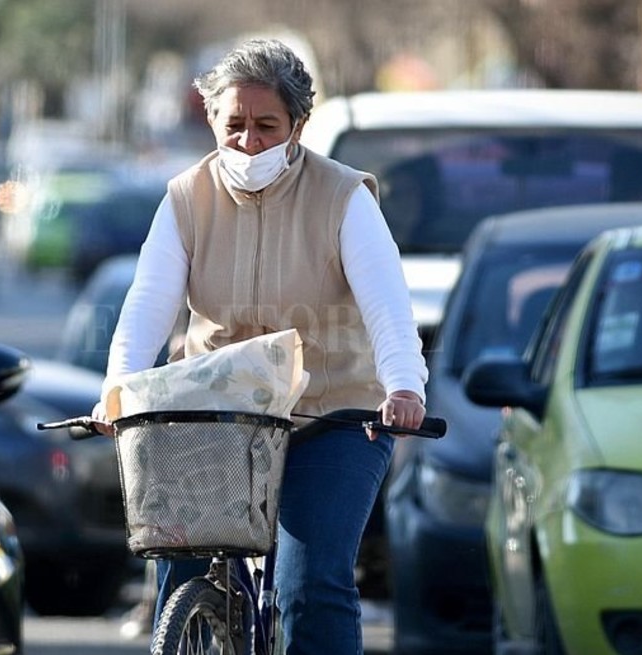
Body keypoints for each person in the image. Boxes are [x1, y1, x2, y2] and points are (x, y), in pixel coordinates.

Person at [90, 38, 428, 654]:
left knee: (308, 585)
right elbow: (147, 305)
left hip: (333, 417)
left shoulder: (343, 196)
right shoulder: (186, 197)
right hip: (213, 421)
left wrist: (404, 385)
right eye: (234, 125)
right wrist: (118, 386)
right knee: (181, 571)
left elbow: (388, 305)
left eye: (267, 126)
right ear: (212, 121)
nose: (248, 143)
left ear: (298, 125)